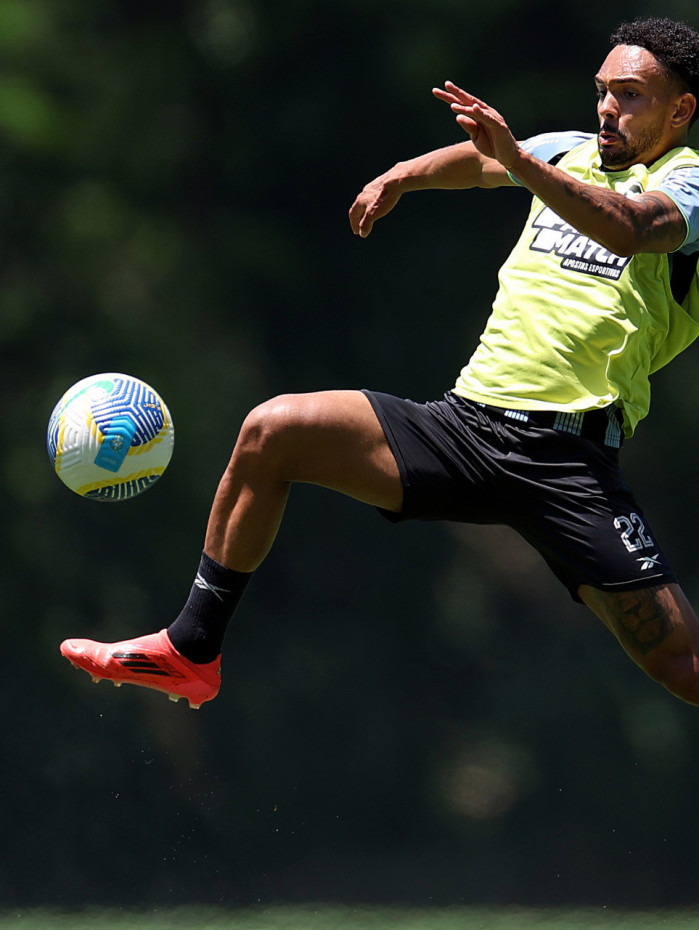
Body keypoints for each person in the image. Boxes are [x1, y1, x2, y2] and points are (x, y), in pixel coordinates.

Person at [61, 16, 699, 711]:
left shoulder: (686, 182)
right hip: (462, 428)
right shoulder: (566, 154)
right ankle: (191, 648)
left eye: (630, 95)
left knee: (678, 663)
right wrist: (401, 176)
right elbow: (483, 161)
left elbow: (630, 227)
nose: (607, 107)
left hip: (567, 461)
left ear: (679, 110)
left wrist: (517, 162)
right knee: (273, 431)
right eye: (602, 90)